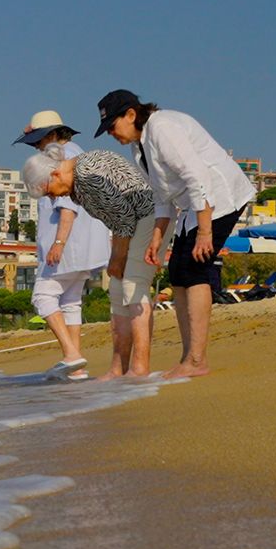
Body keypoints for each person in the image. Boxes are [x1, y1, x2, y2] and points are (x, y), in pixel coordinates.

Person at [94, 89, 254, 380]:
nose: (111, 135)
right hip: (191, 206)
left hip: (218, 197)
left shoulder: (162, 128)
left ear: (131, 114)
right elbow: (161, 196)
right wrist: (157, 237)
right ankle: (188, 358)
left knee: (194, 270)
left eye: (112, 126)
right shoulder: (138, 146)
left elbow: (197, 176)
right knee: (178, 272)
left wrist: (205, 232)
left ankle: (197, 360)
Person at [21, 146, 158, 379]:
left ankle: (139, 368)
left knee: (132, 288)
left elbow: (123, 216)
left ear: (54, 174)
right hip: (131, 224)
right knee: (116, 292)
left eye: (49, 192)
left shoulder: (85, 174)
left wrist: (118, 257)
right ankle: (118, 369)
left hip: (147, 218)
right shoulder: (76, 182)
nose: (54, 197)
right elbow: (116, 219)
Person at [15, 110, 111, 380]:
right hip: (84, 246)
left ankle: (71, 355)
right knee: (70, 302)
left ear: (55, 134)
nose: (36, 147)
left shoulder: (63, 158)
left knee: (43, 297)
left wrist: (59, 243)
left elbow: (67, 205)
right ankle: (76, 369)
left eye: (39, 140)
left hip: (68, 245)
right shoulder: (78, 153)